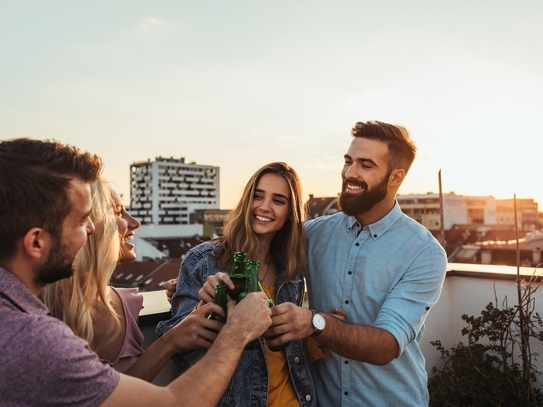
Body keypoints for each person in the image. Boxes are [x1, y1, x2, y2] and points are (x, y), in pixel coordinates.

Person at [0, 138, 272, 407]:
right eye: (82, 221)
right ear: (36, 242)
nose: (92, 229)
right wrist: (237, 332)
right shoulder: (33, 340)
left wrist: (170, 340)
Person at [265, 121, 448, 406]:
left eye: (366, 165)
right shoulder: (314, 234)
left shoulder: (423, 253)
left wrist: (316, 324)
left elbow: (387, 345)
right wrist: (200, 278)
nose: (350, 173)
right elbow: (255, 251)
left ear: (395, 177)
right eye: (348, 161)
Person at [157, 162, 339, 407]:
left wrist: (320, 331)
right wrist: (208, 308)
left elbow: (284, 353)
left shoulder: (290, 272)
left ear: (289, 214)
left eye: (278, 200)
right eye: (258, 196)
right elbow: (179, 352)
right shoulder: (203, 261)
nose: (264, 207)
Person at [42, 179, 223, 382]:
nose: (135, 222)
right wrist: (169, 341)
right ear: (89, 224)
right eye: (118, 212)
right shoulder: (37, 312)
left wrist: (185, 294)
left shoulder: (127, 305)